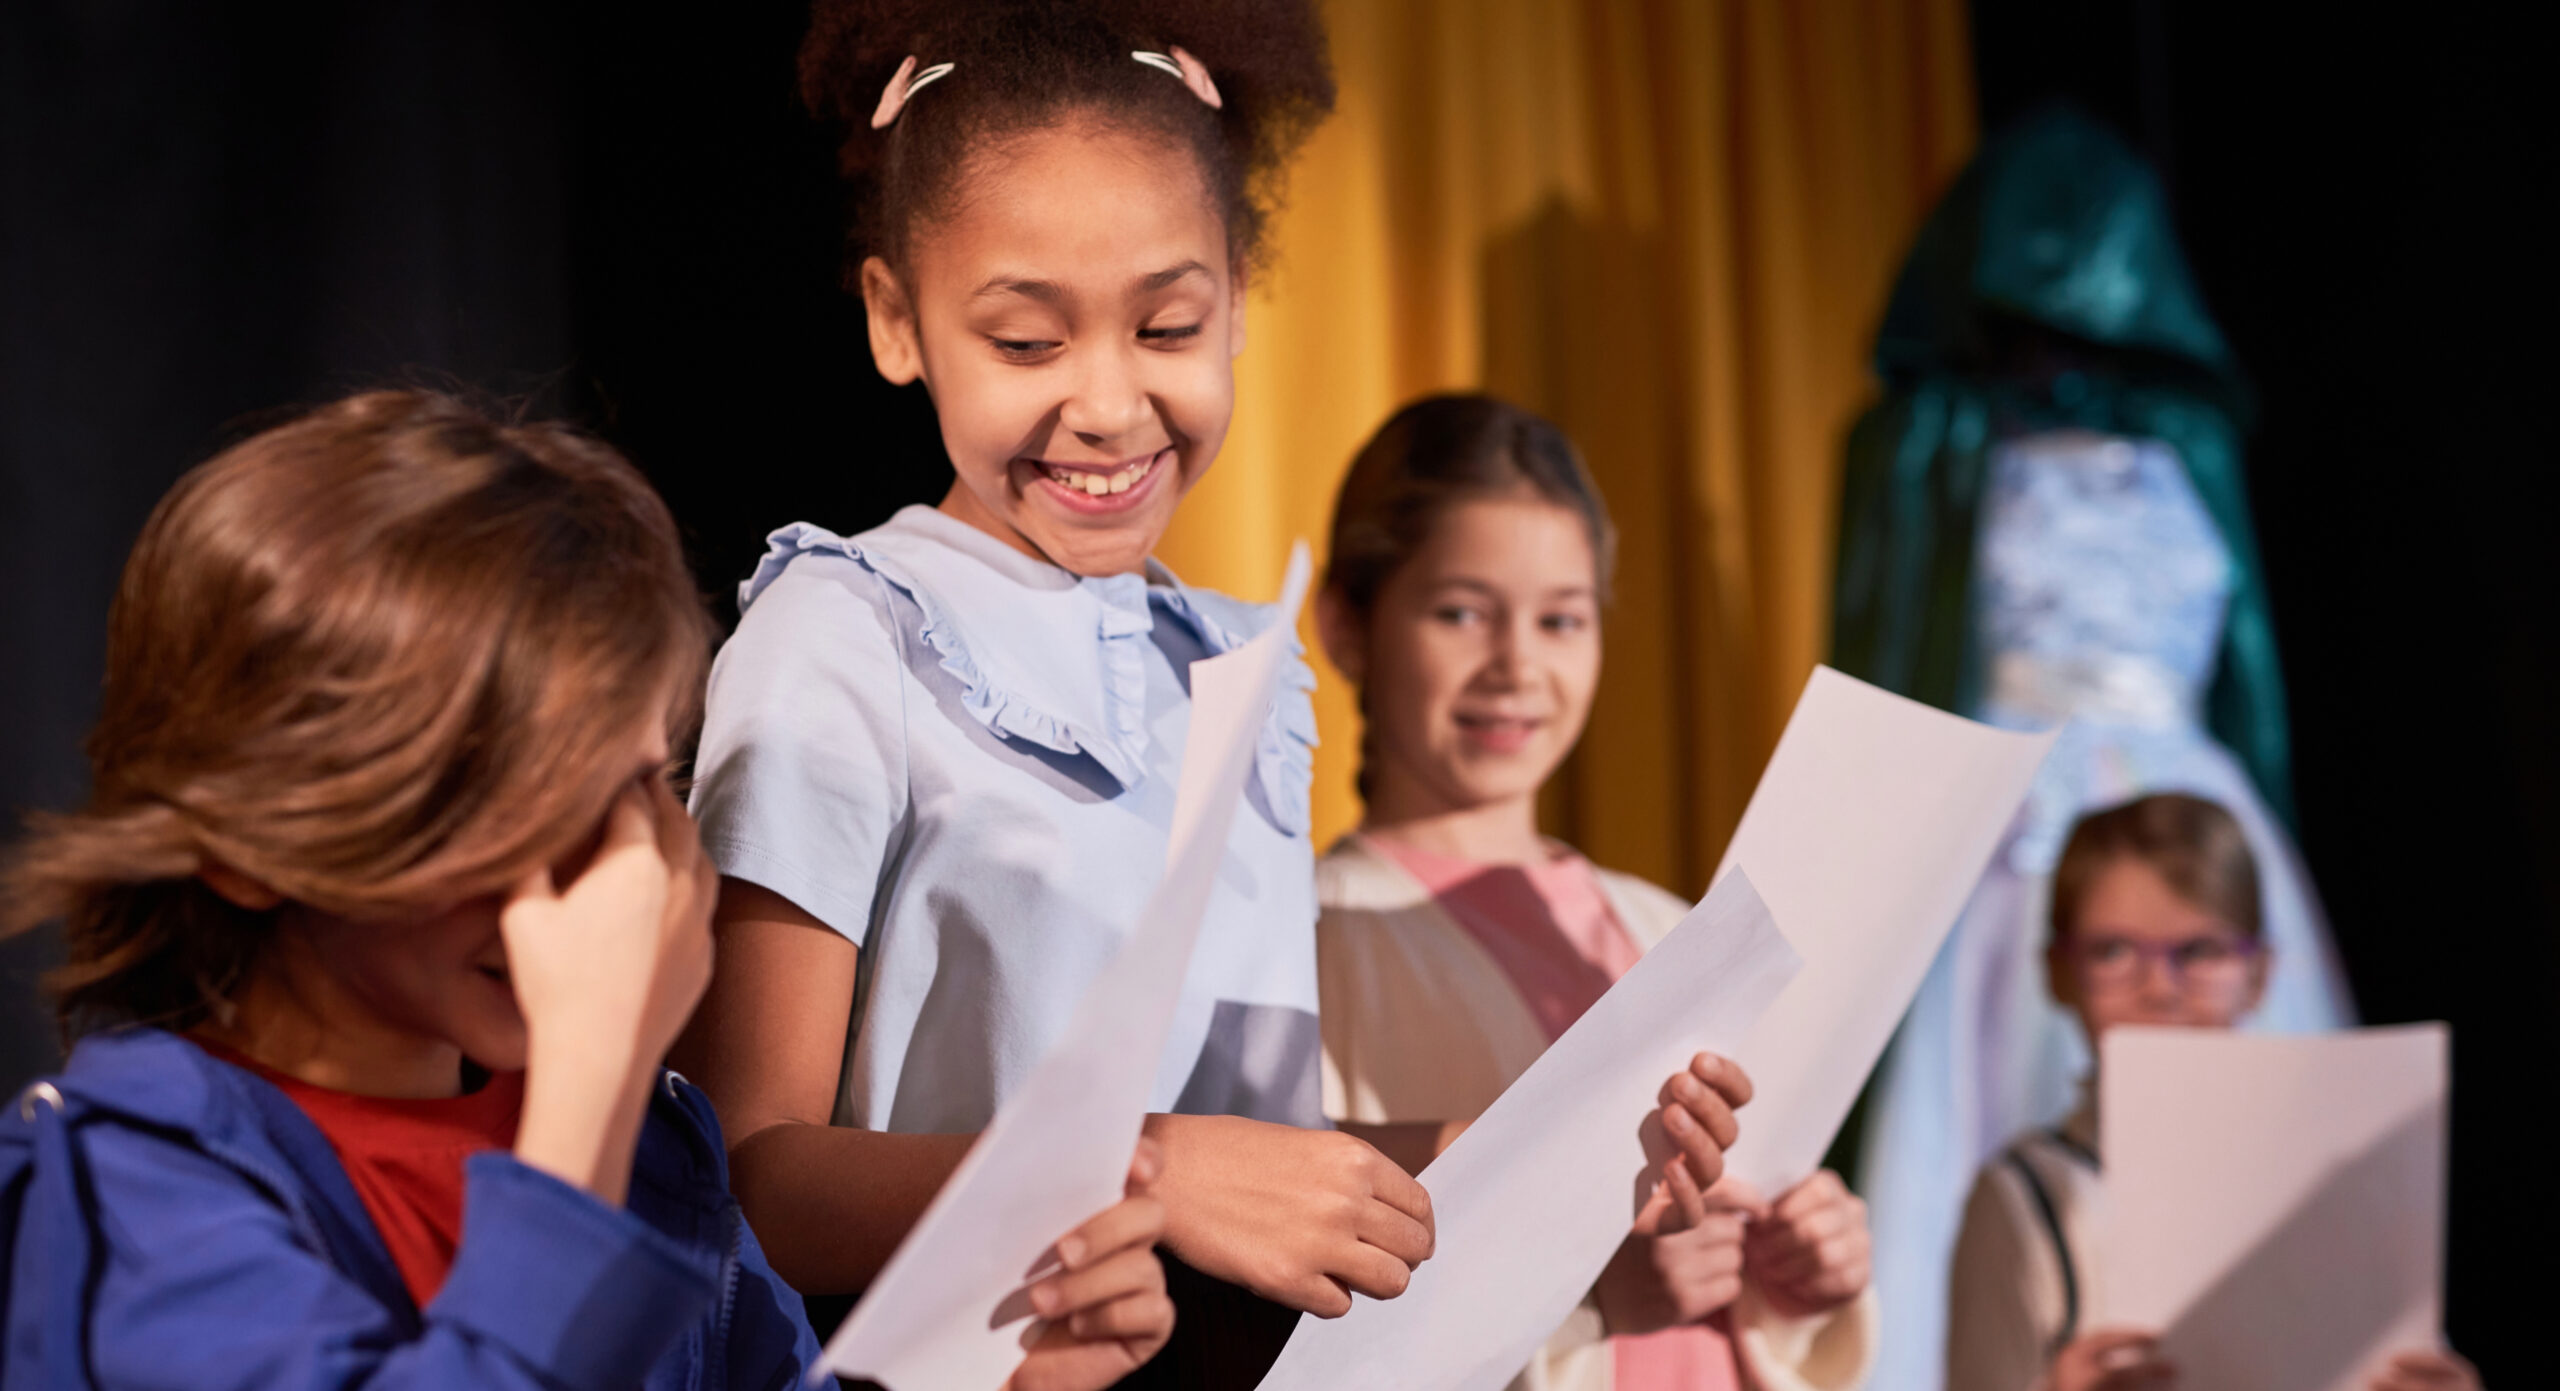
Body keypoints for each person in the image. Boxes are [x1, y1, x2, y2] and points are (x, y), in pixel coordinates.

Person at [672, 7, 1760, 1383]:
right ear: (899, 321)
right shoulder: (847, 631)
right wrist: (1146, 1169)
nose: (1111, 403)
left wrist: (1560, 1148)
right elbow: (745, 1175)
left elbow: (1257, 1165)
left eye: (1168, 324)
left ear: (1238, 295)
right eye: (1024, 343)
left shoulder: (1240, 668)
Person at [0, 391, 1169, 1391]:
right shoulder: (130, 1183)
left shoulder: (657, 1151)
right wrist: (590, 1085)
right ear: (248, 839)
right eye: (501, 796)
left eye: (632, 788)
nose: (599, 870)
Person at [1830, 110, 2359, 1391]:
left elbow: (2252, 675)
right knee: (2007, 1097)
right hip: (2015, 820)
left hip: (2192, 799)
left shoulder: (2191, 449)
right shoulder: (1932, 442)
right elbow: (1890, 644)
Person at [1311, 394, 1876, 1391]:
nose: (1517, 665)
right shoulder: (1314, 945)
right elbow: (1303, 1297)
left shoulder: (1671, 925)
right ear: (1349, 624)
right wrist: (1590, 1301)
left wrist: (1800, 1268)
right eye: (1459, 612)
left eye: (1561, 618)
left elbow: (1743, 1211)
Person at [1946, 793, 2478, 1391]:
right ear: (2059, 973)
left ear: (2260, 973)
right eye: (2113, 952)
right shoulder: (2030, 1199)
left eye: (2200, 951)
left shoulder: (2343, 1184)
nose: (2159, 988)